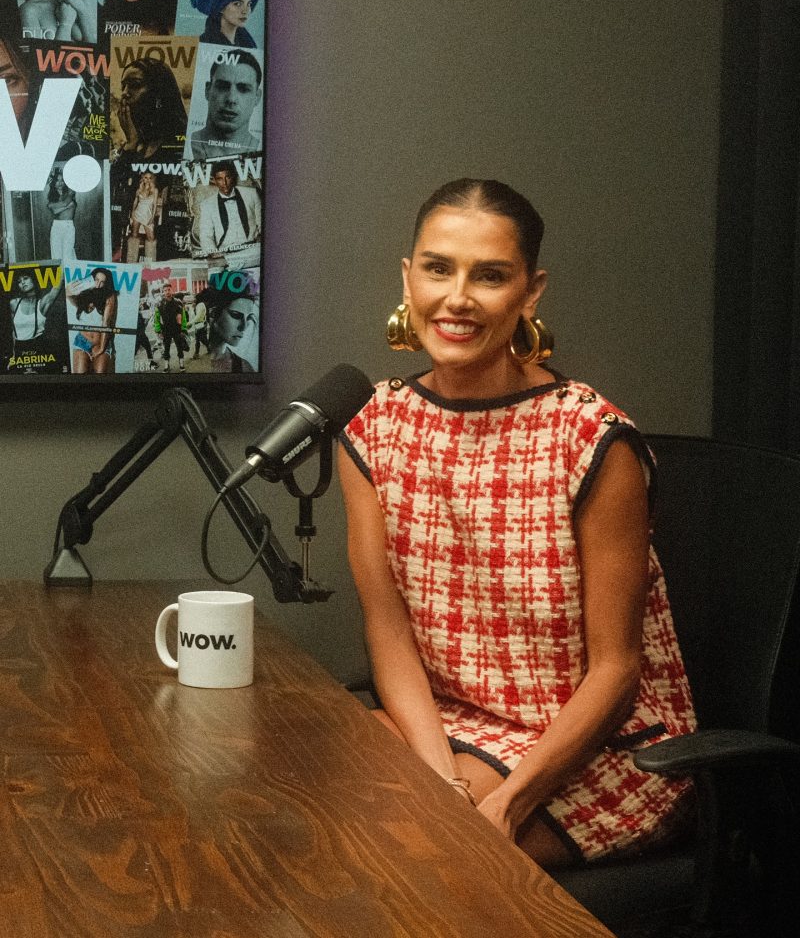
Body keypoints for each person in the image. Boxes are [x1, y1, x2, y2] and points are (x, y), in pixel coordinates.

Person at [338, 178, 697, 868]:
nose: (458, 298)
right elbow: (388, 631)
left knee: (422, 860)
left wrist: (502, 806)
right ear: (408, 279)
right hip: (449, 727)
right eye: (438, 268)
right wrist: (441, 780)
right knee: (309, 805)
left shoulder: (592, 437)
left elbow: (617, 674)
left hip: (593, 747)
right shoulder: (373, 428)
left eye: (491, 275)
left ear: (530, 293)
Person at [187, 51, 262, 161]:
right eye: (222, 86)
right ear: (208, 90)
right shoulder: (183, 146)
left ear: (257, 97)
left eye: (243, 89)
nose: (231, 99)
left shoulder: (267, 152)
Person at [114, 57, 187, 162]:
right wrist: (131, 143)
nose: (124, 93)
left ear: (158, 92)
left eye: (135, 85)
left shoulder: (181, 142)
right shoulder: (133, 141)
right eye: (123, 86)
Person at [196, 161, 261, 259]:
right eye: (220, 179)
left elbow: (262, 223)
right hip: (225, 254)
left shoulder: (251, 194)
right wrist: (214, 253)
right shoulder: (207, 205)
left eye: (228, 177)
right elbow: (206, 235)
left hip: (252, 249)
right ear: (214, 180)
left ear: (233, 177)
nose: (224, 183)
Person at [5, 266, 63, 371]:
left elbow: (57, 287)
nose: (22, 282)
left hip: (38, 349)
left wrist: (66, 262)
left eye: (26, 278)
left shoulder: (41, 304)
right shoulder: (14, 303)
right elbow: (14, 331)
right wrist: (13, 355)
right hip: (19, 350)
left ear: (33, 280)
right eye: (19, 281)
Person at [66, 267, 118, 374]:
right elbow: (73, 300)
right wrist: (68, 292)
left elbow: (106, 324)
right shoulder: (84, 293)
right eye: (96, 280)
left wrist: (101, 349)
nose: (98, 284)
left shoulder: (109, 297)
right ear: (91, 279)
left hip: (101, 343)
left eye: (102, 282)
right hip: (82, 342)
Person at [205, 285, 258, 372]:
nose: (244, 327)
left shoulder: (244, 367)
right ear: (213, 314)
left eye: (248, 318)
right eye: (236, 315)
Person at [126, 172, 161, 262]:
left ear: (152, 179)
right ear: (143, 178)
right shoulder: (139, 190)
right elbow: (135, 202)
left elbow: (155, 205)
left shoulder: (155, 190)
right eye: (146, 177)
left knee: (151, 238)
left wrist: (152, 217)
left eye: (150, 178)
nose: (148, 180)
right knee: (134, 235)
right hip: (138, 214)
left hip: (148, 215)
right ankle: (131, 261)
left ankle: (151, 262)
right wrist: (132, 213)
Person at [46, 167, 77, 266]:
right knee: (56, 256)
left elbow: (62, 204)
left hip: (68, 225)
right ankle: (59, 280)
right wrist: (67, 206)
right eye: (57, 180)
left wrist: (58, 206)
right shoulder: (52, 195)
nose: (60, 183)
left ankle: (70, 279)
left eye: (62, 180)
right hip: (56, 226)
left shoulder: (70, 192)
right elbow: (53, 209)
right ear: (54, 183)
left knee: (68, 255)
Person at [153, 280, 185, 371]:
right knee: (166, 348)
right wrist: (158, 331)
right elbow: (157, 319)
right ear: (163, 292)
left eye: (169, 289)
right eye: (165, 290)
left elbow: (183, 318)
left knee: (179, 347)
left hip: (177, 330)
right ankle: (167, 365)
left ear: (172, 290)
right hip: (166, 330)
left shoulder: (178, 303)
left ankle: (181, 364)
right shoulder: (159, 304)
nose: (167, 292)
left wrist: (183, 329)